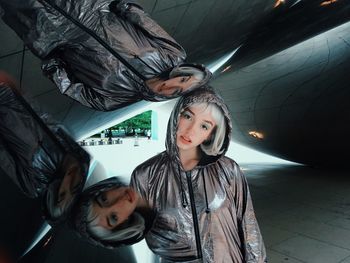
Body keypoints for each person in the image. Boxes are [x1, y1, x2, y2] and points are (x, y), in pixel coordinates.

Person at [0, 71, 151, 248]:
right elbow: (41, 117)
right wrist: (13, 89)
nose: (119, 201)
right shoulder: (78, 161)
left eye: (113, 217)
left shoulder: (35, 185)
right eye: (104, 199)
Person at [131, 87, 267, 262]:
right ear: (176, 115)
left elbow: (248, 224)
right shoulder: (145, 174)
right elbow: (141, 230)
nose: (190, 130)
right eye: (187, 116)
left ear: (211, 134)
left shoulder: (228, 169)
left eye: (204, 126)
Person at [0, 0, 211, 111]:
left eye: (179, 91)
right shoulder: (172, 55)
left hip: (47, 31)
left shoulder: (113, 100)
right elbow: (137, 16)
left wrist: (49, 50)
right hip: (86, 6)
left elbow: (69, 86)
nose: (173, 84)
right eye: (184, 78)